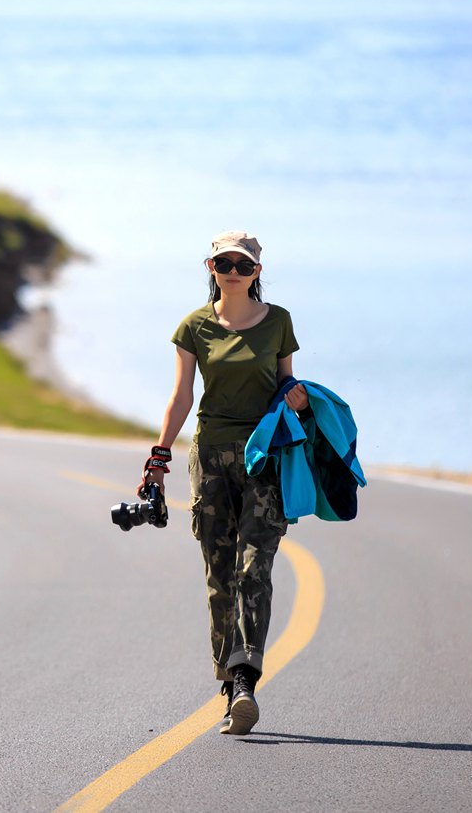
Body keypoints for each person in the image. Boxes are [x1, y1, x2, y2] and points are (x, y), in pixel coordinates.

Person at [140, 230, 308, 736]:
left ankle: (244, 681)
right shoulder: (194, 327)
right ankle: (227, 681)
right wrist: (159, 455)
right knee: (221, 576)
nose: (234, 271)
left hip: (264, 457)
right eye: (225, 263)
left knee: (255, 566)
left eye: (244, 264)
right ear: (210, 267)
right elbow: (181, 396)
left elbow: (285, 383)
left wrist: (296, 398)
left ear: (258, 271)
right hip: (210, 459)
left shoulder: (278, 322)